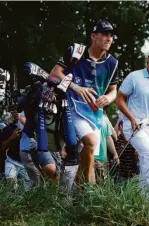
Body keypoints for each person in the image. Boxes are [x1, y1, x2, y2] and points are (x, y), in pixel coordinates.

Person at [50, 20, 118, 183]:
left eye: (111, 35)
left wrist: (107, 98)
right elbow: (55, 73)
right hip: (71, 107)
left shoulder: (112, 63)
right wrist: (76, 87)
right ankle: (85, 191)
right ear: (93, 36)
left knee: (88, 158)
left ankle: (79, 194)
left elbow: (114, 90)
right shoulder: (77, 51)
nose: (109, 39)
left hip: (94, 113)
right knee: (90, 142)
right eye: (105, 34)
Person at [115, 47, 149, 193]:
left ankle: (142, 193)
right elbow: (119, 99)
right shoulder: (135, 76)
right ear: (148, 59)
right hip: (131, 124)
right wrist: (131, 118)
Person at [0, 112, 31, 190]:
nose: (18, 113)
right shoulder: (9, 129)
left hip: (27, 165)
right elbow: (2, 148)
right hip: (11, 161)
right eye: (16, 111)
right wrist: (12, 138)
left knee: (28, 191)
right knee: (11, 187)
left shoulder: (35, 129)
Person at [92, 114, 120, 184]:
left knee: (102, 186)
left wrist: (115, 154)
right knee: (88, 185)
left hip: (102, 160)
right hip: (88, 158)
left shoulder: (104, 118)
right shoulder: (83, 115)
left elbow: (108, 138)